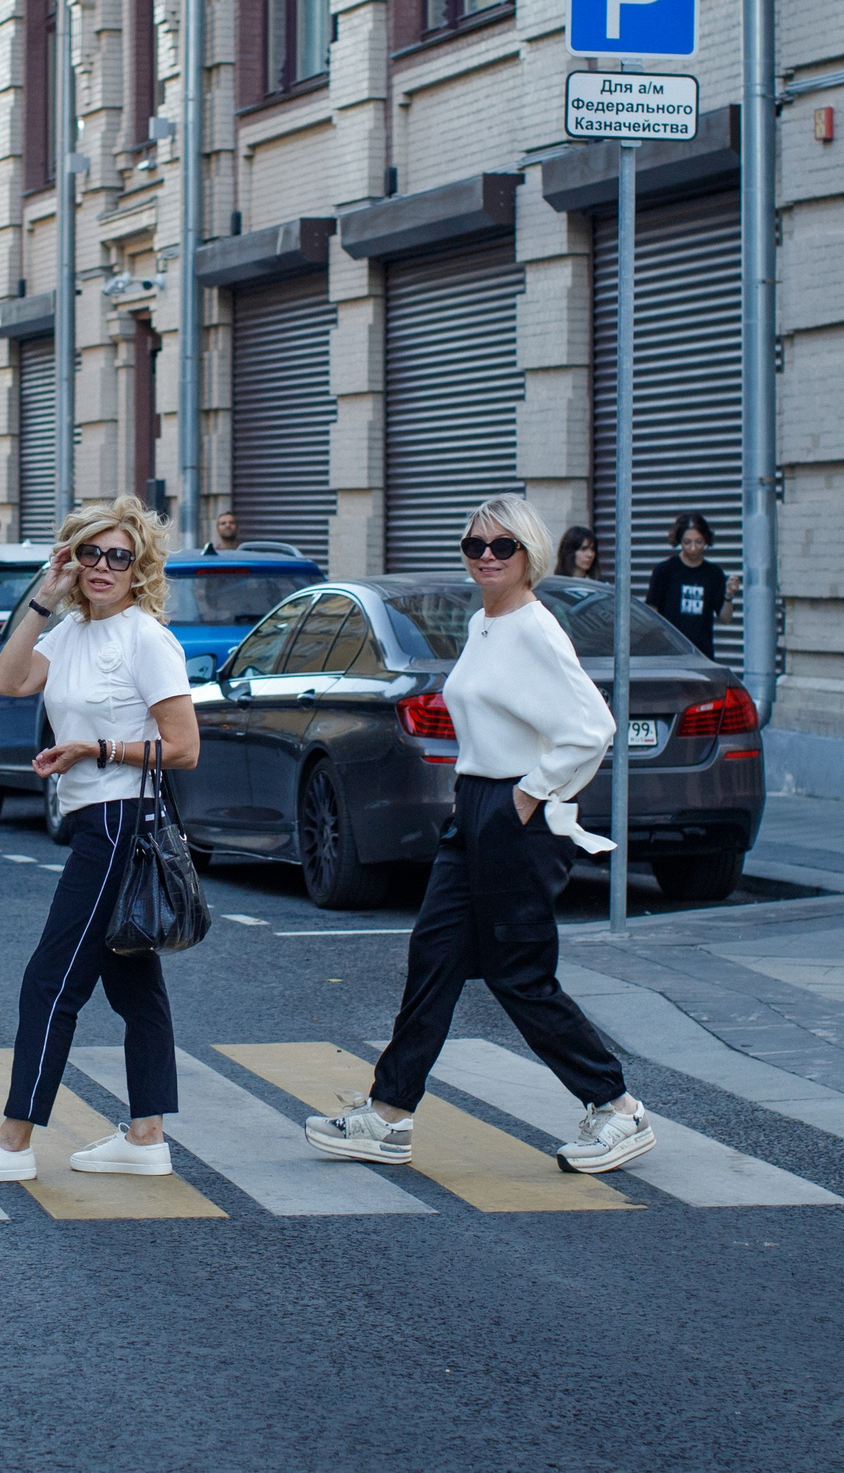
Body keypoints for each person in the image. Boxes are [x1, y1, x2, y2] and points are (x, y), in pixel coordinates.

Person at [307, 494, 657, 1175]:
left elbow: (593, 727)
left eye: (504, 547)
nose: (488, 558)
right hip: (475, 809)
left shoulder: (534, 628)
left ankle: (617, 1108)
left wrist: (528, 794)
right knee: (433, 957)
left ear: (531, 557)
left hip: (514, 815)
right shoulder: (484, 623)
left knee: (519, 973)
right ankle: (388, 1115)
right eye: (476, 546)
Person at [0, 495, 202, 1184]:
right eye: (91, 553)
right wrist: (45, 599)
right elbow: (7, 678)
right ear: (72, 560)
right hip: (95, 821)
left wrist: (96, 749)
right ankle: (146, 1137)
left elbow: (183, 748)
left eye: (119, 555)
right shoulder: (71, 632)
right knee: (134, 983)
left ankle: (14, 1141)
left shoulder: (147, 638)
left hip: (119, 824)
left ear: (138, 564)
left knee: (50, 981)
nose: (105, 566)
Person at [645, 513, 740, 658]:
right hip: (669, 653)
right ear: (679, 541)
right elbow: (651, 614)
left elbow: (726, 618)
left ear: (706, 540)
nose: (693, 548)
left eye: (699, 542)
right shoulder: (665, 570)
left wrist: (728, 595)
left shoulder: (714, 573)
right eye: (687, 542)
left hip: (702, 654)